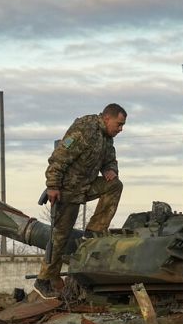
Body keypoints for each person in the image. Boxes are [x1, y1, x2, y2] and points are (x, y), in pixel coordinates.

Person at [34, 103, 127, 299]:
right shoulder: (85, 129)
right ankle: (43, 280)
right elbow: (59, 157)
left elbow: (110, 159)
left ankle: (93, 232)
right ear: (107, 118)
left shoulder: (106, 138)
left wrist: (110, 170)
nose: (121, 129)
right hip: (67, 190)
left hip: (86, 186)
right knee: (60, 236)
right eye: (119, 124)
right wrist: (53, 185)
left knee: (114, 185)